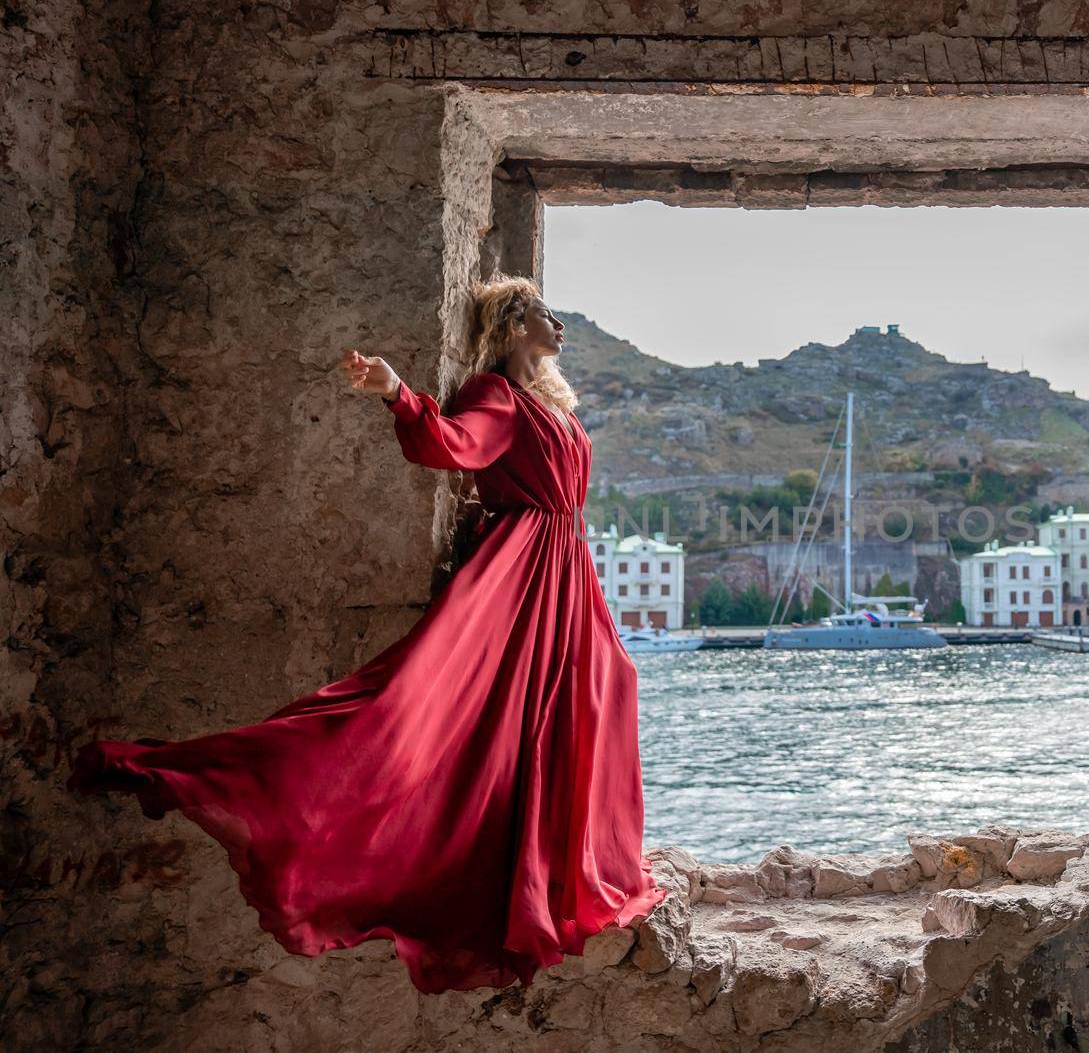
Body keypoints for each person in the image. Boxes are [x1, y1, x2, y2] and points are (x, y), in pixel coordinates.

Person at [67, 273, 668, 994]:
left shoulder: (550, 403)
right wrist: (397, 392)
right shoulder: (495, 396)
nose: (558, 324)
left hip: (566, 570)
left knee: (601, 694)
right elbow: (450, 445)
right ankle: (201, 772)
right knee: (412, 710)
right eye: (543, 312)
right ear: (511, 325)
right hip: (524, 575)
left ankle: (576, 872)